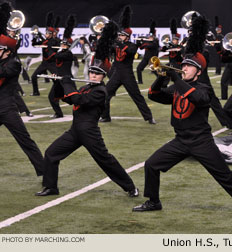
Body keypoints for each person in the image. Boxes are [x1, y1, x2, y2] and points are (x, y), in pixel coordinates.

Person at [132, 16, 232, 219]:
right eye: (183, 66)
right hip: (180, 140)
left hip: (201, 141)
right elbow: (155, 96)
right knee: (151, 164)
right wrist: (161, 80)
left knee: (225, 176)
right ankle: (154, 201)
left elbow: (197, 98)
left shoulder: (203, 88)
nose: (184, 68)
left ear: (198, 71)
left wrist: (177, 78)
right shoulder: (178, 86)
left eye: (188, 66)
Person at [35, 23, 139, 197]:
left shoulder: (100, 91)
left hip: (89, 132)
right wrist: (59, 82)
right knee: (51, 153)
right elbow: (68, 99)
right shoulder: (86, 87)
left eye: (97, 74)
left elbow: (78, 99)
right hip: (75, 131)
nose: (93, 75)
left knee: (106, 161)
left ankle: (130, 187)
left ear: (103, 76)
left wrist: (68, 82)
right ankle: (51, 187)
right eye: (91, 72)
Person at [0, 2, 44, 176]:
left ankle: (44, 172)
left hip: (7, 109)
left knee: (25, 141)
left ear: (8, 51)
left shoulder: (14, 64)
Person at [100, 6, 155, 124]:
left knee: (136, 96)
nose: (120, 37)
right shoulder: (116, 44)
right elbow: (108, 51)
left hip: (127, 74)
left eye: (122, 35)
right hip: (116, 74)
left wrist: (117, 43)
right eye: (119, 35)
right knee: (105, 94)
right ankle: (105, 116)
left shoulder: (132, 45)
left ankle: (149, 117)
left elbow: (130, 51)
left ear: (127, 37)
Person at [30, 12, 60, 96]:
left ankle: (58, 92)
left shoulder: (55, 41)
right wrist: (35, 37)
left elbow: (50, 45)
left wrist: (43, 39)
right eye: (45, 33)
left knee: (56, 79)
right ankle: (36, 92)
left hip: (52, 63)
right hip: (44, 63)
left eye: (47, 33)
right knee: (33, 77)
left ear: (50, 34)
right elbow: (34, 44)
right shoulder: (45, 40)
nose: (46, 35)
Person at [136, 19, 159, 84]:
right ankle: (140, 81)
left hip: (152, 59)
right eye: (149, 36)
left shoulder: (155, 43)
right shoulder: (147, 42)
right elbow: (141, 48)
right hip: (146, 58)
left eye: (151, 37)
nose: (150, 38)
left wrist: (143, 41)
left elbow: (148, 46)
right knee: (139, 69)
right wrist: (139, 42)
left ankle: (161, 81)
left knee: (155, 71)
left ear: (154, 37)